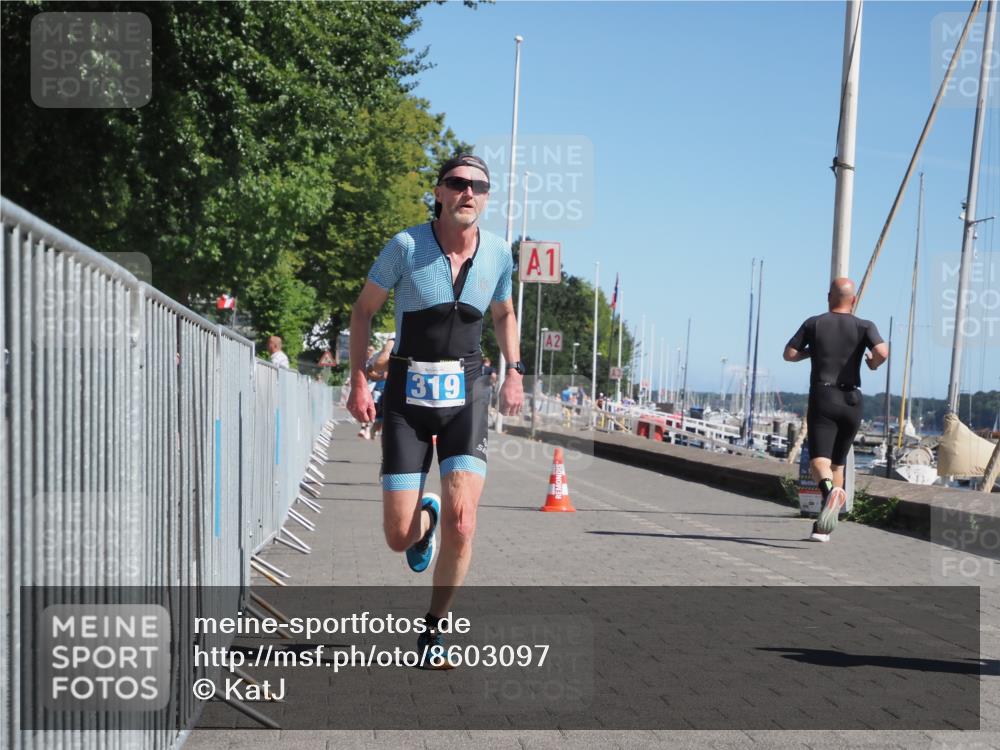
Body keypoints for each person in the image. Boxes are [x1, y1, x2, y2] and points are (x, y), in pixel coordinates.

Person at [347, 153, 525, 667]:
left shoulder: (497, 254)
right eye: (457, 183)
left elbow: (505, 312)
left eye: (479, 186)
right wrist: (359, 379)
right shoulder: (406, 246)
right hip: (406, 394)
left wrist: (514, 370)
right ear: (440, 191)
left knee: (465, 523)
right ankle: (424, 519)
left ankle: (434, 632)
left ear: (487, 196)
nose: (469, 192)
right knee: (395, 536)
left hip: (467, 393)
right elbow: (363, 312)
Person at [784, 277, 888, 543]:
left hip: (824, 395)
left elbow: (790, 354)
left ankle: (829, 492)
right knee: (838, 462)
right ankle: (824, 528)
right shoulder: (865, 325)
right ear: (853, 300)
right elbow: (883, 352)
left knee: (820, 461)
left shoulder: (814, 323)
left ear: (829, 296)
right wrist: (873, 364)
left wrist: (812, 351)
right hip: (853, 399)